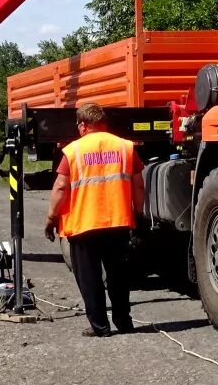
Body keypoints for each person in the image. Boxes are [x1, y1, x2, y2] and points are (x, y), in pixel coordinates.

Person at [44, 103, 144, 337]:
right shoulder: (125, 147)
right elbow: (138, 184)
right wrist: (139, 214)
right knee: (118, 276)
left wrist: (51, 218)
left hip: (83, 224)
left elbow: (60, 187)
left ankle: (100, 326)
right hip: (117, 221)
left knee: (90, 278)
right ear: (104, 123)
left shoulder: (73, 151)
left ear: (82, 125)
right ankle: (123, 321)